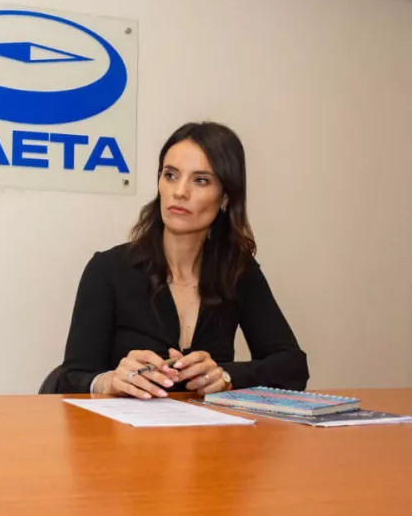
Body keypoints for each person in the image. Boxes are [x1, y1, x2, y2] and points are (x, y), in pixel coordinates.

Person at [46, 121, 309, 398]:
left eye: (201, 180)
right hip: (119, 426)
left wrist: (226, 375)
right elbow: (70, 378)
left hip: (207, 426)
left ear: (225, 198)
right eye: (170, 175)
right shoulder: (108, 269)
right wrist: (109, 381)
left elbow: (293, 367)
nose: (180, 191)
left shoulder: (238, 272)